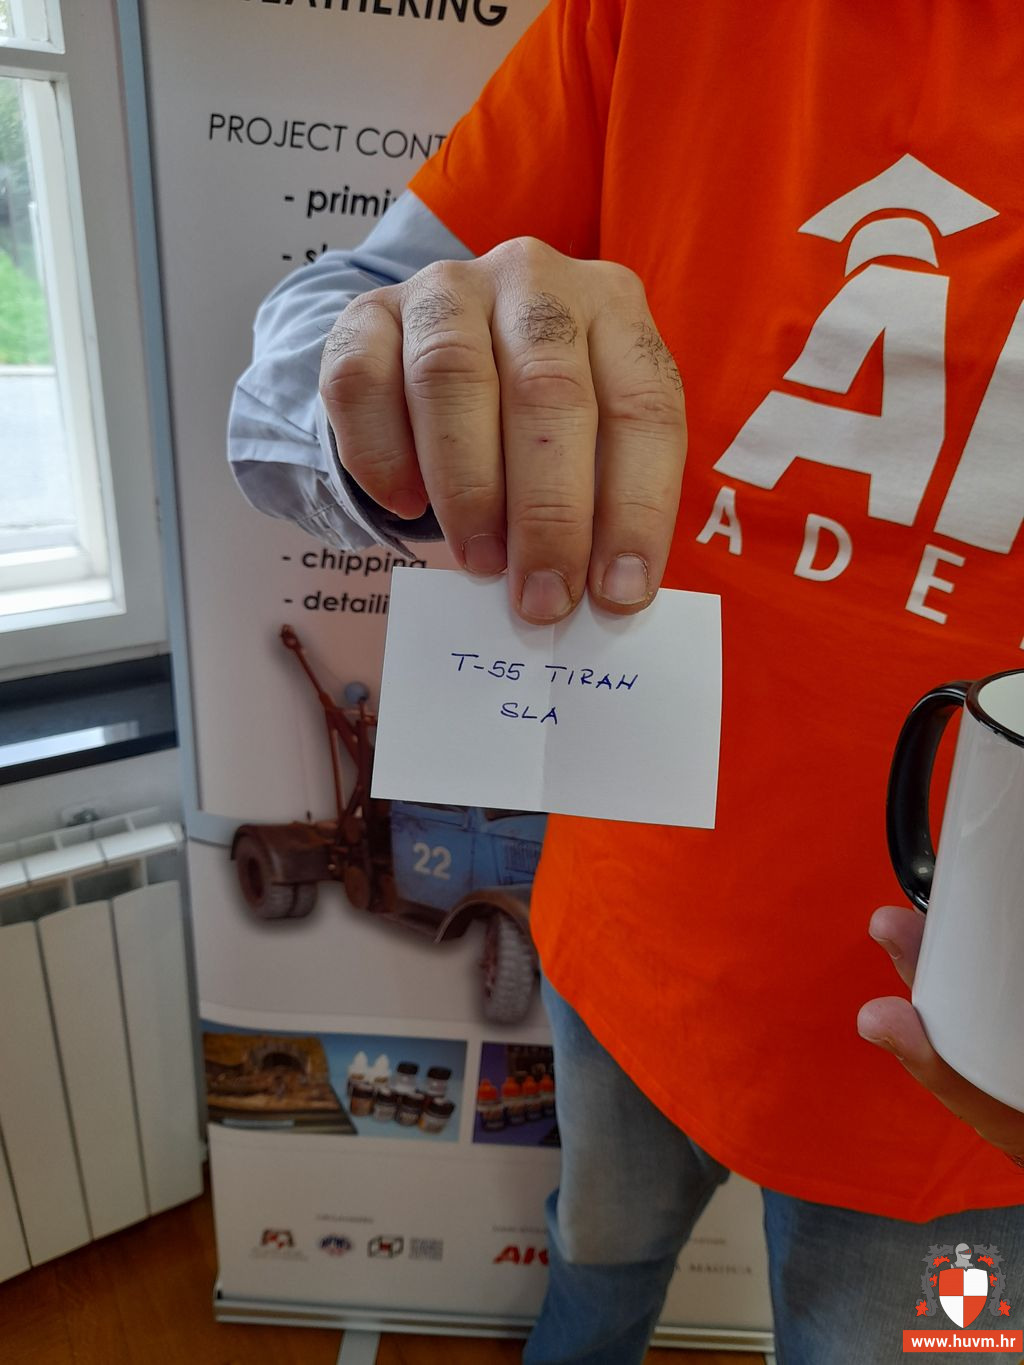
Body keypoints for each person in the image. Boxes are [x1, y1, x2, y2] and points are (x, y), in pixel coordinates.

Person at [228, 3, 1024, 1360]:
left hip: (961, 1065)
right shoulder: (660, 19)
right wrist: (416, 392)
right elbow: (298, 361)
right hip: (628, 942)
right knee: (593, 1284)